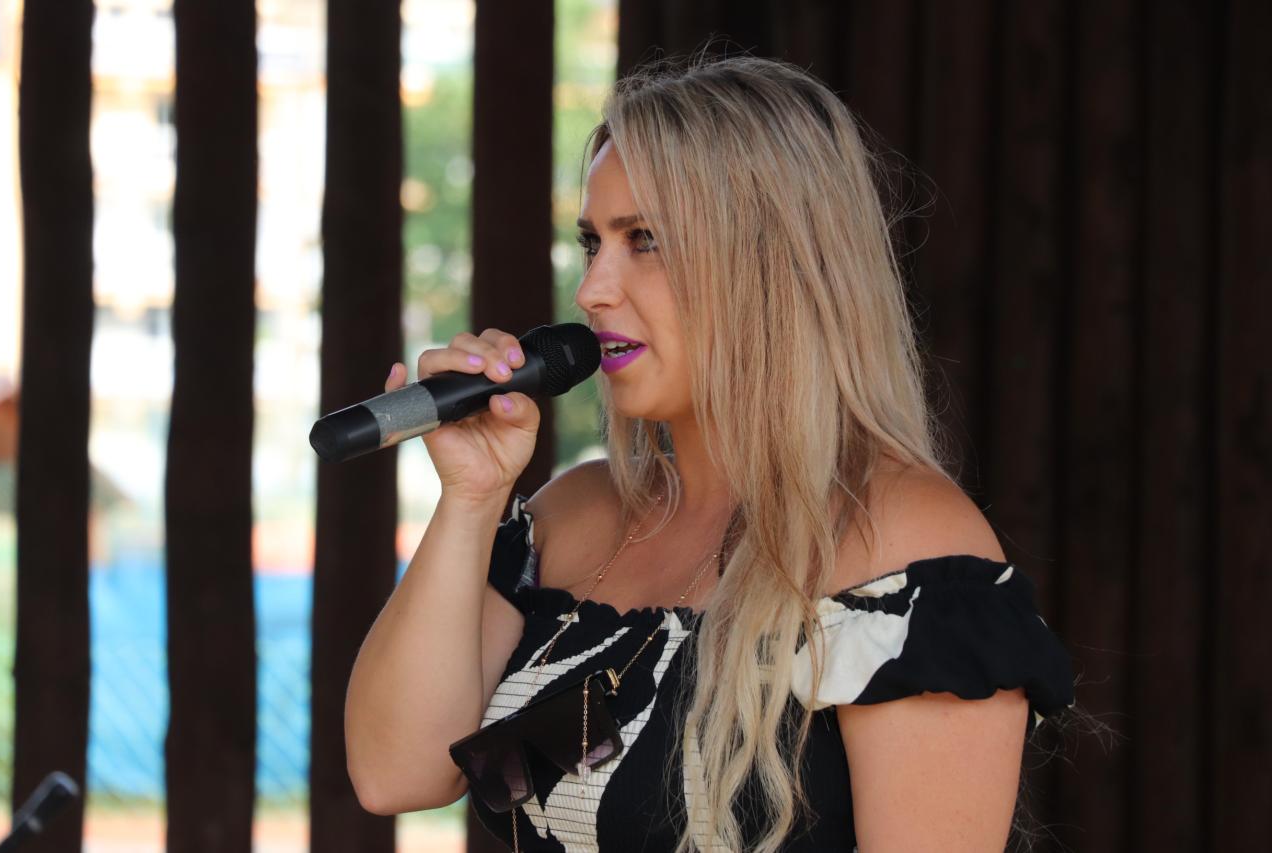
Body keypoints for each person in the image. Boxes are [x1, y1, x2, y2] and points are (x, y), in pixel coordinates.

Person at [344, 53, 1077, 852]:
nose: (592, 289)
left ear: (775, 262)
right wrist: (472, 496)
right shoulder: (570, 516)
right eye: (592, 242)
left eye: (646, 240)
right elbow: (395, 773)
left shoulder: (909, 545)